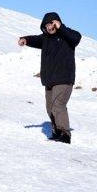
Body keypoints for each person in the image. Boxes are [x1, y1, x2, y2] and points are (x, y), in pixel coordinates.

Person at [18, 13, 82, 144]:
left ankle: (64, 134)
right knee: (50, 107)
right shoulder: (45, 38)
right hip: (50, 80)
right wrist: (25, 39)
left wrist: (62, 27)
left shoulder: (67, 37)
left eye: (52, 24)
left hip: (64, 79)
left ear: (57, 24)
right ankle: (57, 131)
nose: (49, 27)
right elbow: (35, 39)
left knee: (58, 105)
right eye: (47, 25)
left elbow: (77, 37)